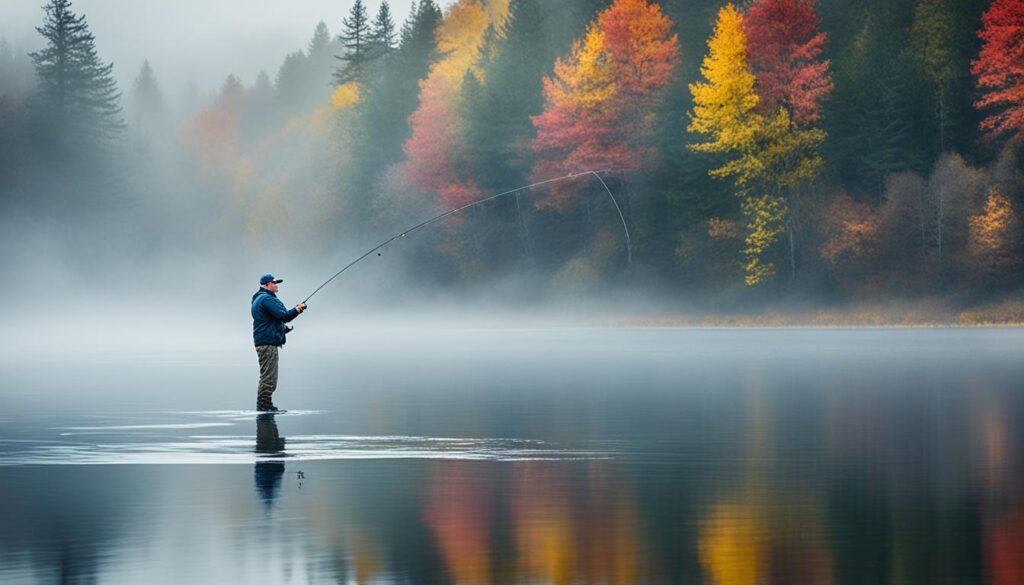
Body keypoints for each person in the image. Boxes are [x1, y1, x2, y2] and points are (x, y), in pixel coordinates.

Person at [251, 273, 306, 412]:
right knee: (269, 377)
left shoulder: (258, 299)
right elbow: (284, 316)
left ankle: (265, 405)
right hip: (268, 343)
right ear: (267, 284)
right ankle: (263, 407)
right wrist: (298, 309)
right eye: (275, 283)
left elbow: (269, 320)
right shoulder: (267, 299)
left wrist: (282, 329)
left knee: (266, 375)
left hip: (262, 341)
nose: (277, 285)